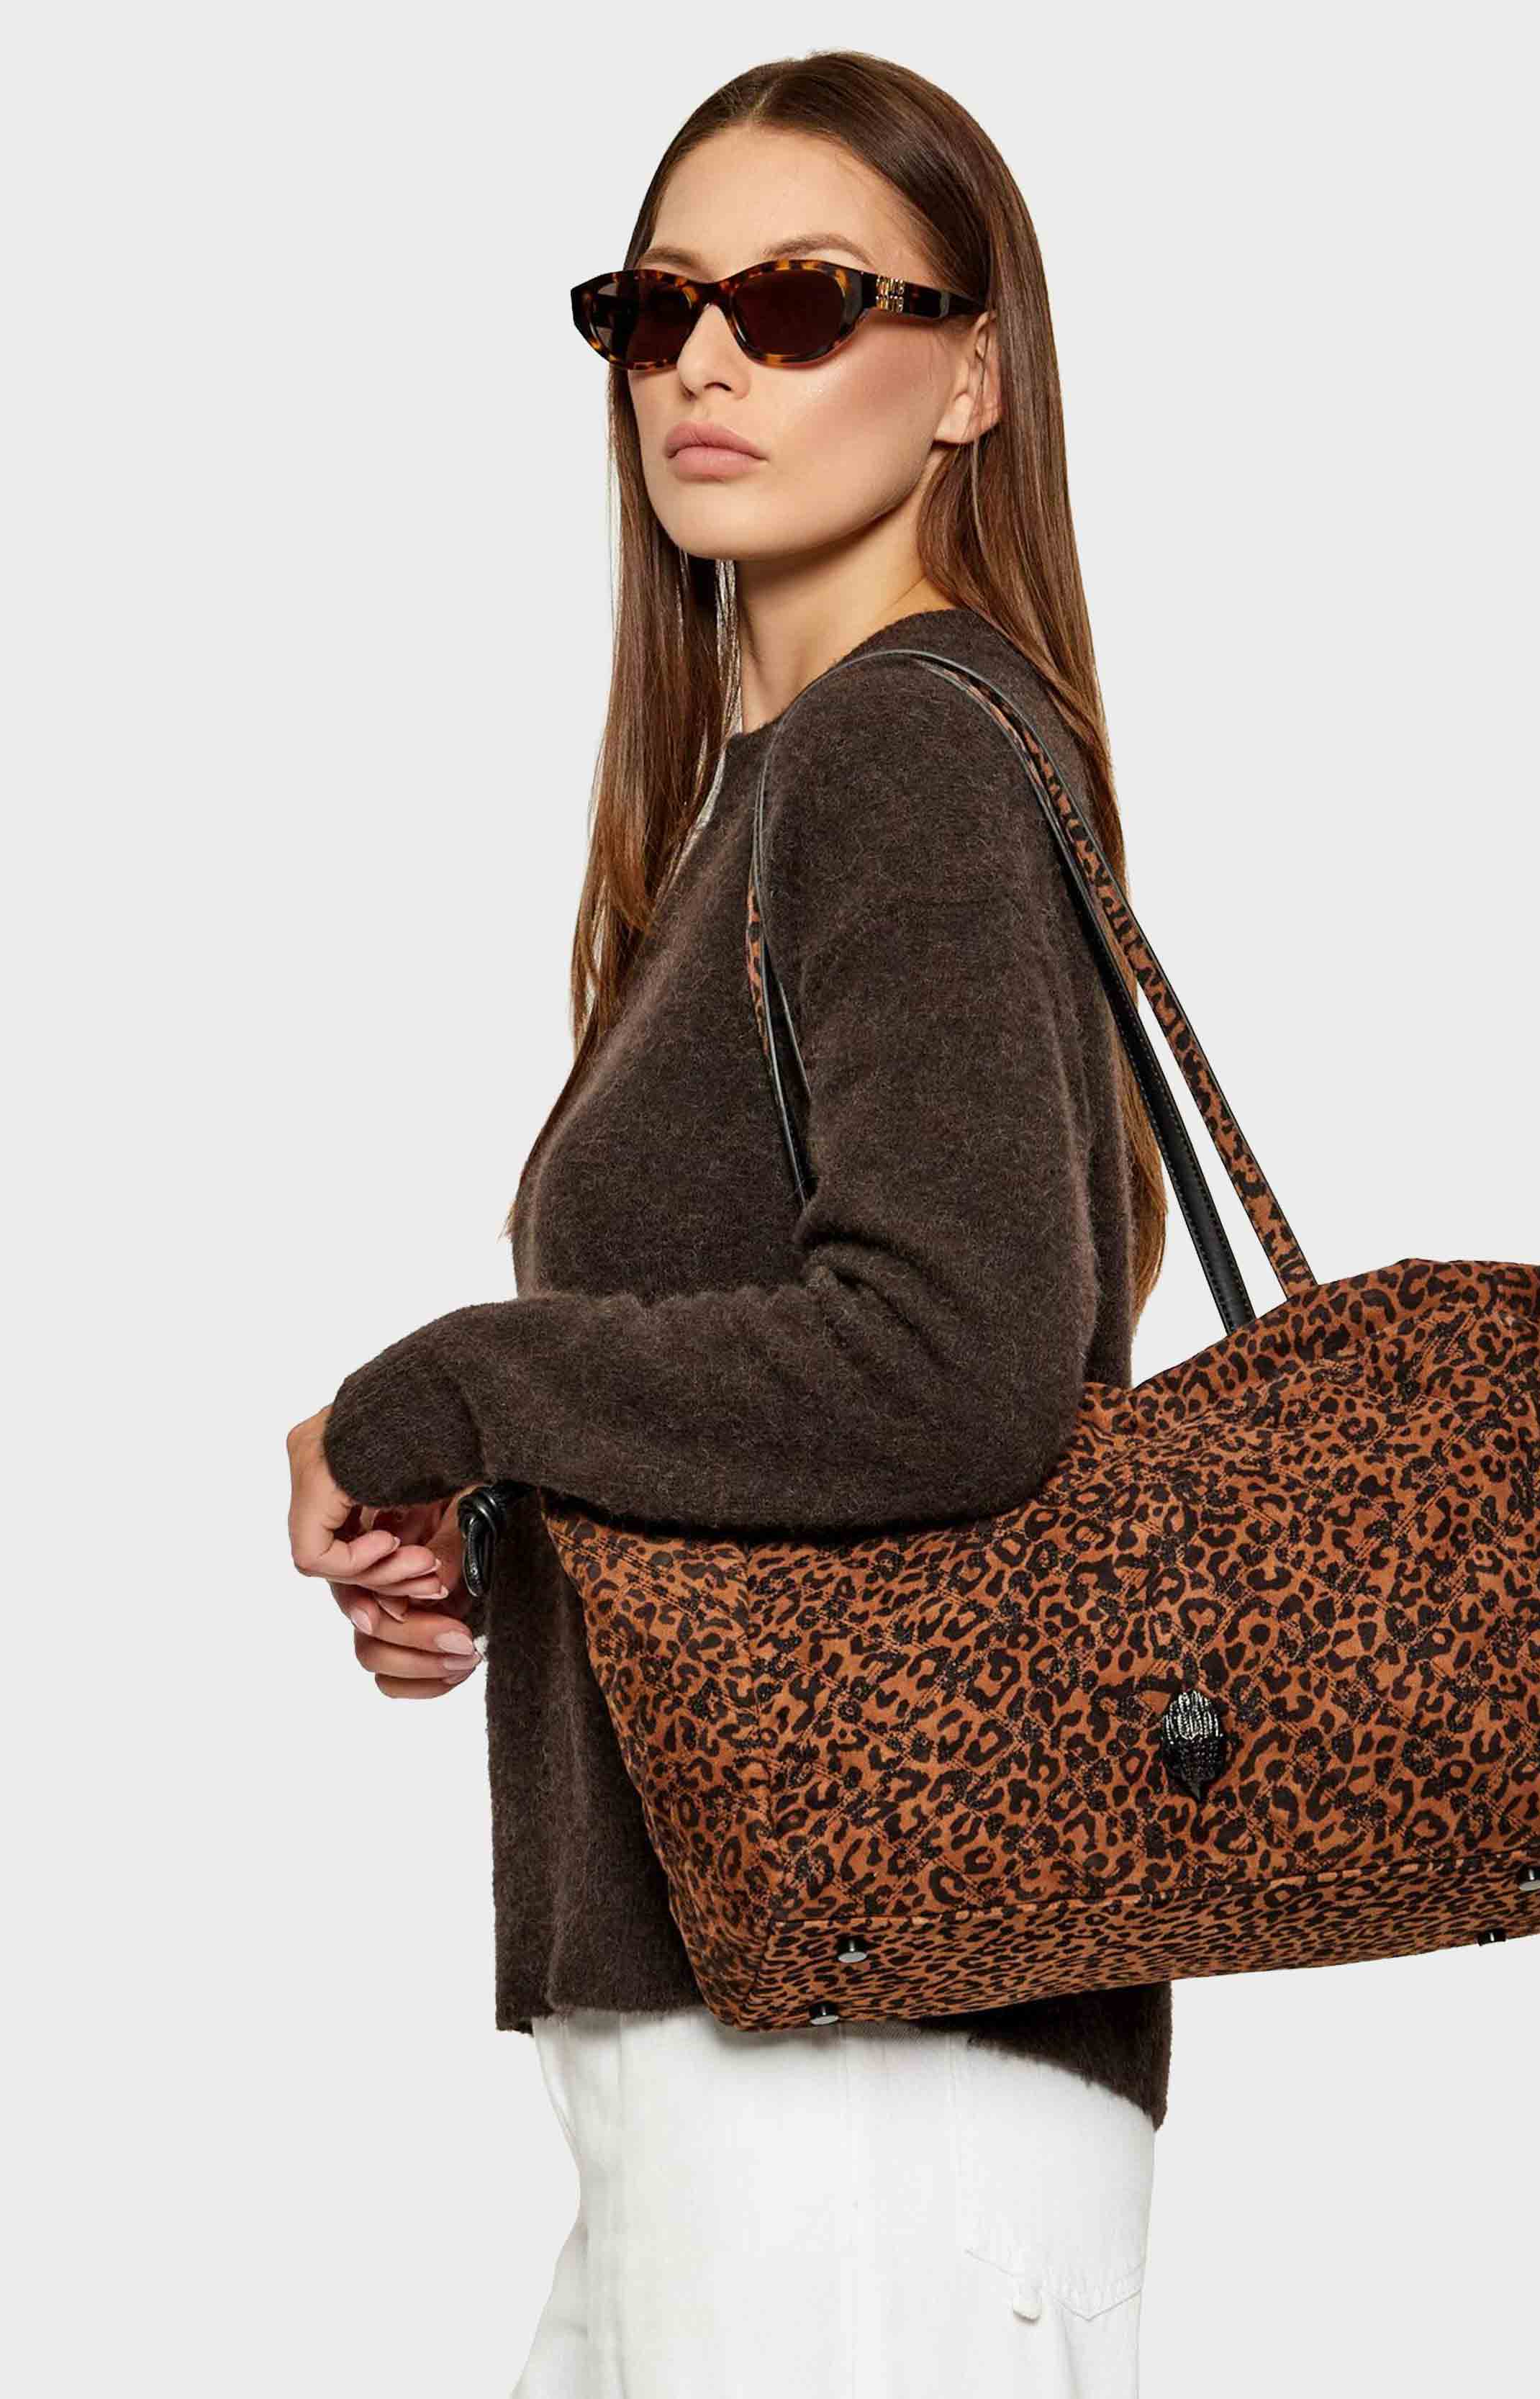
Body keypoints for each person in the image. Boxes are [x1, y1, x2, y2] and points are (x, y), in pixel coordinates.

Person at [286, 48, 1175, 2398]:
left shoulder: (901, 748)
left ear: (970, 374)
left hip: (854, 2079)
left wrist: (455, 1385)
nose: (702, 359)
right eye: (651, 304)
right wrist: (493, 1515)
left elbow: (954, 1367)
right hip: (770, 2040)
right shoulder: (772, 794)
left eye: (797, 303)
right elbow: (818, 1393)